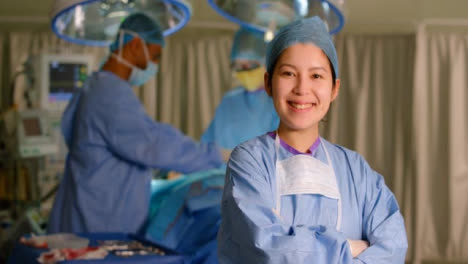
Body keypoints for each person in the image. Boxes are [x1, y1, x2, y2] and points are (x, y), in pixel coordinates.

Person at [217, 17, 408, 263]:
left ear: (334, 88)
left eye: (316, 76)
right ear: (268, 83)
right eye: (288, 73)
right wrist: (347, 248)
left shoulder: (354, 169)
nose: (302, 89)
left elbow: (392, 247)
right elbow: (267, 247)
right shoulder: (249, 161)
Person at [48, 13, 227, 234]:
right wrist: (216, 155)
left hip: (87, 213)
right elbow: (152, 144)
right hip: (100, 225)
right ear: (135, 45)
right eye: (155, 55)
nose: (155, 64)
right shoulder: (110, 94)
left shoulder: (93, 87)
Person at [201, 27, 279, 150]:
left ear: (268, 63)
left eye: (251, 64)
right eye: (239, 65)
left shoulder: (279, 102)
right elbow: (207, 147)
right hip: (223, 169)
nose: (245, 70)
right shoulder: (229, 101)